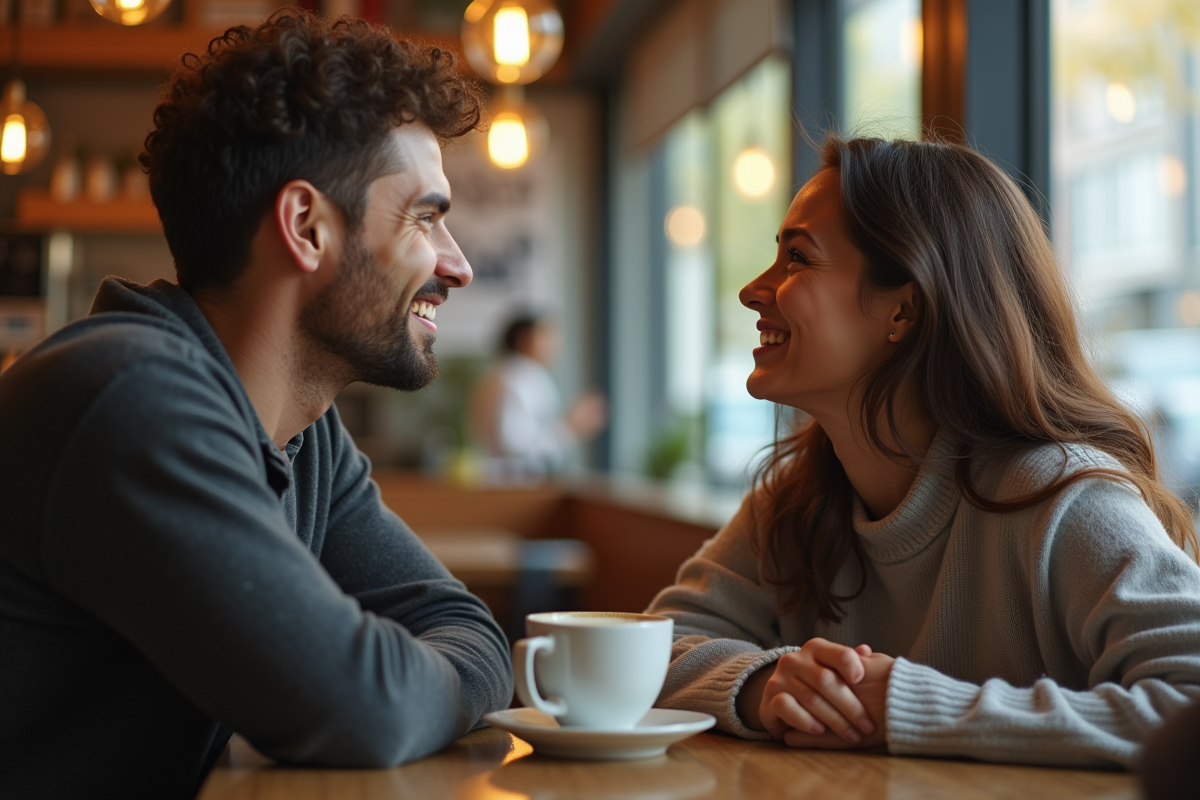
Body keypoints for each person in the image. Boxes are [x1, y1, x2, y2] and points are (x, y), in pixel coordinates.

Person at [0, 12, 513, 799]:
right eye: (426, 218)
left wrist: (392, 676)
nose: (459, 265)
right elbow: (361, 706)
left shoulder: (303, 434)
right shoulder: (125, 394)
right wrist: (383, 676)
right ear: (306, 226)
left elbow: (469, 633)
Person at [647, 135, 1200, 768]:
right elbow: (658, 644)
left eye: (797, 258)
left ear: (903, 310)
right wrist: (767, 685)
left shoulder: (1064, 498)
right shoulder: (798, 498)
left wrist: (912, 705)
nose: (752, 289)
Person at [470, 313, 606, 481]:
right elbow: (515, 448)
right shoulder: (519, 379)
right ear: (524, 339)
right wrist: (569, 428)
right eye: (545, 334)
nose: (555, 343)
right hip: (517, 485)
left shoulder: (500, 375)